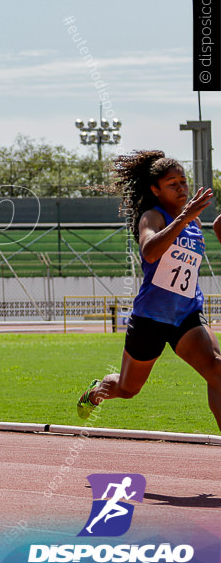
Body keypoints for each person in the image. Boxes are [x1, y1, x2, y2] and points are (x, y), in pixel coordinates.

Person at [77, 151, 221, 431]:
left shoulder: (195, 222)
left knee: (217, 370)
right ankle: (95, 392)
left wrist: (189, 218)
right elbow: (150, 252)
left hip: (187, 313)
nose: (181, 188)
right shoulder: (152, 217)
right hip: (151, 318)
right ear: (156, 190)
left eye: (183, 182)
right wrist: (181, 218)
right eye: (172, 184)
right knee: (128, 388)